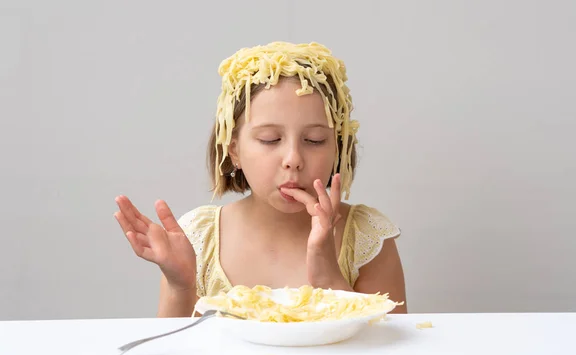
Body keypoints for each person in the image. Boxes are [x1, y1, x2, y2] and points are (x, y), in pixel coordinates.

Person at [114, 42, 407, 317]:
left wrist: (329, 275)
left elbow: (391, 354)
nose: (293, 158)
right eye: (269, 139)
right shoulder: (198, 239)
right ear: (234, 150)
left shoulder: (366, 237)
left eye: (314, 140)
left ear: (338, 148)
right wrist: (181, 286)